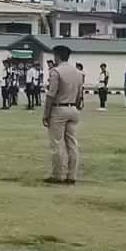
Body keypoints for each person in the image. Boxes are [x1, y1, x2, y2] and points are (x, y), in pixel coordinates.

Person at [43, 45, 84, 185]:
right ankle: (72, 175)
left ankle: (58, 174)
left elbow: (51, 94)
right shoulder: (78, 73)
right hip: (73, 108)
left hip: (59, 109)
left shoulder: (56, 71)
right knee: (72, 143)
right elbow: (80, 95)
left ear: (57, 56)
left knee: (57, 143)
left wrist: (46, 114)